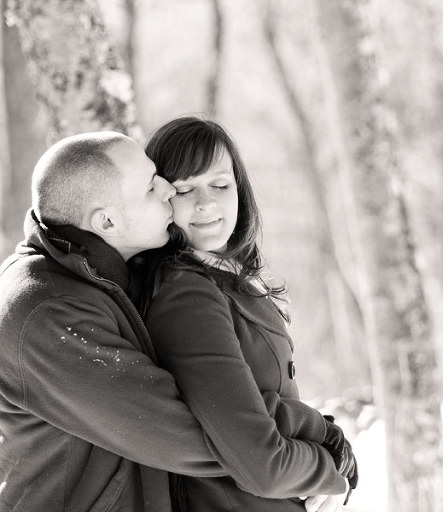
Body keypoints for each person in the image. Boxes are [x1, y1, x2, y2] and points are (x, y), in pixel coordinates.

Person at [0, 131, 347, 511]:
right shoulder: (49, 314)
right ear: (107, 222)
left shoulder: (98, 280)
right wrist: (319, 446)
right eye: (152, 187)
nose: (168, 190)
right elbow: (213, 436)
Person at [140, 116, 358, 512]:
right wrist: (329, 463)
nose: (205, 203)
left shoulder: (228, 280)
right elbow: (261, 465)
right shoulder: (186, 295)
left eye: (220, 185)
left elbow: (259, 404)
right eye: (185, 190)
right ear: (160, 200)